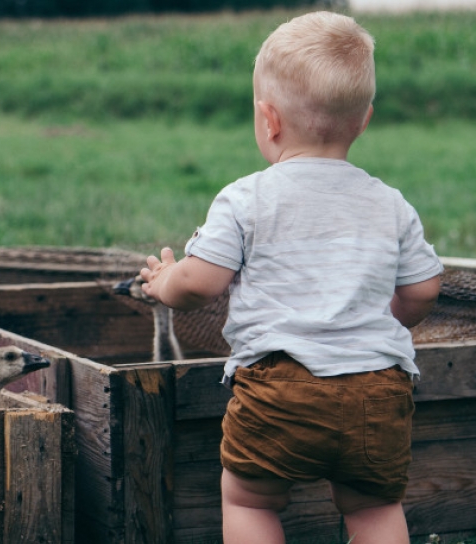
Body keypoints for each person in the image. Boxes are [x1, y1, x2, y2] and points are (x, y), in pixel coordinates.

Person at [139, 11, 443, 544]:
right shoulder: (390, 204)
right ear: (364, 120)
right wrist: (387, 319)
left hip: (279, 387)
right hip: (376, 391)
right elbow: (422, 290)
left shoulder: (246, 198)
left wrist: (163, 281)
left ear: (268, 120)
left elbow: (200, 284)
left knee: (250, 499)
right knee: (373, 507)